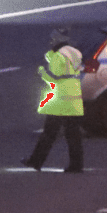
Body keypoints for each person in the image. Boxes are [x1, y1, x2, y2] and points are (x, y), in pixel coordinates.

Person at [23, 28, 85, 172]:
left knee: (49, 133)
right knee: (73, 135)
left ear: (56, 41)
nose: (50, 42)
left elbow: (54, 77)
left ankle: (36, 161)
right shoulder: (75, 53)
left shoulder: (58, 56)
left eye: (52, 40)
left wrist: (41, 72)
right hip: (74, 97)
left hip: (60, 100)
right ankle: (77, 165)